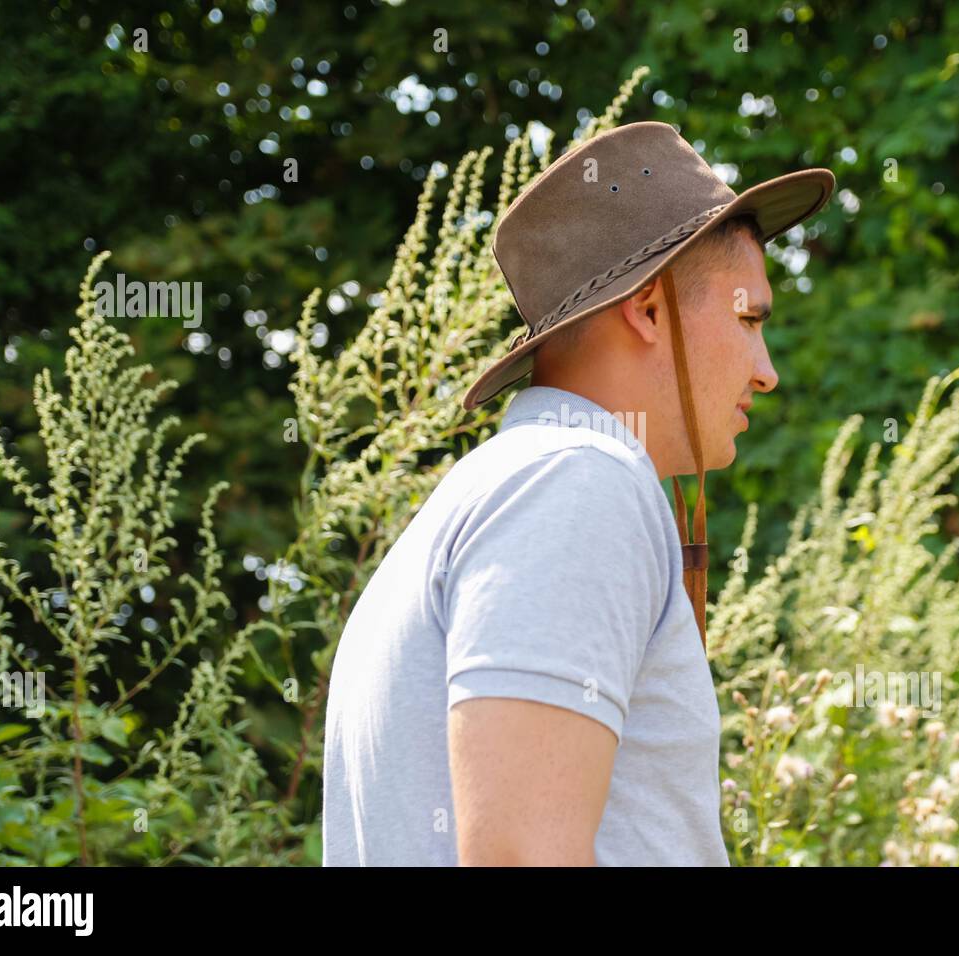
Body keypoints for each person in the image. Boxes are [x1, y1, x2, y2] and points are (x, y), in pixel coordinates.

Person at [322, 121, 834, 865]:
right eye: (748, 317)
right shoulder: (577, 481)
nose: (767, 370)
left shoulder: (510, 484)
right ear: (650, 308)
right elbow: (521, 856)